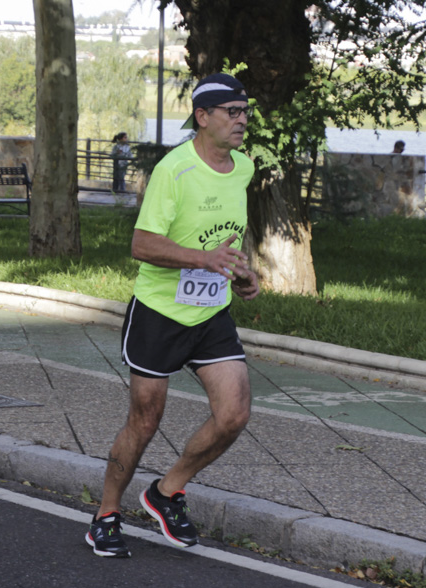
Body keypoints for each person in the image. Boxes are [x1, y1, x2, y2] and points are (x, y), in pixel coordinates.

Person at [86, 73, 260, 558]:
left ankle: (165, 492)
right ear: (203, 117)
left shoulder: (243, 169)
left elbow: (225, 239)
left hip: (210, 312)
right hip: (160, 313)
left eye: (245, 111)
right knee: (144, 422)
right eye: (232, 111)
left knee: (235, 414)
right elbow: (142, 244)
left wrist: (244, 273)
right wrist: (203, 260)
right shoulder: (174, 170)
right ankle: (106, 514)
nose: (242, 120)